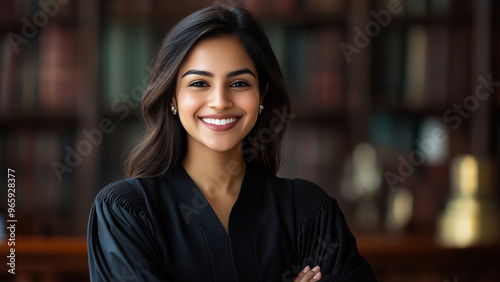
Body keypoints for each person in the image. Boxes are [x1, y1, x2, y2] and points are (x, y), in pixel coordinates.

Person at [87, 4, 376, 282]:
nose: (220, 102)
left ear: (262, 94)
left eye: (239, 83)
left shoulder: (309, 212)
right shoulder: (125, 213)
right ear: (172, 96)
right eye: (199, 83)